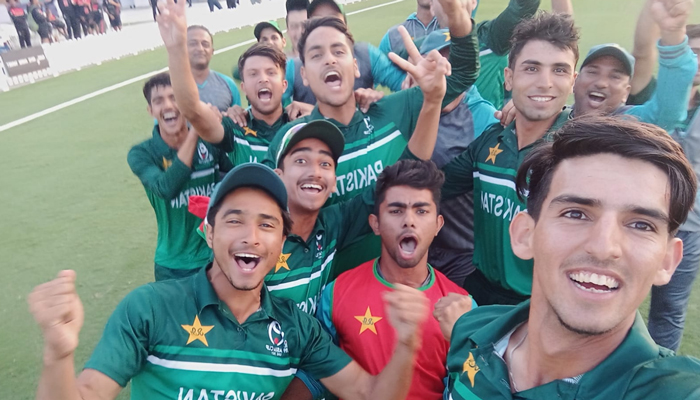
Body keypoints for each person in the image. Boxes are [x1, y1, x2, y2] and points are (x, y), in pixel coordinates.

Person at [28, 160, 431, 400]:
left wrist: (407, 344)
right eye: (234, 219)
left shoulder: (295, 329)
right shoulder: (150, 309)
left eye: (267, 224)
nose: (250, 237)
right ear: (208, 233)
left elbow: (369, 394)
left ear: (281, 244)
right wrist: (58, 354)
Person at [445, 115, 700, 399]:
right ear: (524, 234)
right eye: (576, 214)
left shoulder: (677, 391)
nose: (603, 247)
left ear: (667, 260)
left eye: (641, 225)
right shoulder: (472, 330)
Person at [305, 160, 474, 400]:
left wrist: (464, 339)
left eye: (422, 211)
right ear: (376, 224)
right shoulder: (337, 293)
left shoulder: (463, 306)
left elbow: (470, 389)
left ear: (438, 225)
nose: (409, 221)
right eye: (396, 211)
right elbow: (315, 377)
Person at [441, 11, 578, 306]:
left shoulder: (579, 153)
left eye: (559, 70)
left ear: (573, 81)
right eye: (531, 69)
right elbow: (434, 187)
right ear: (509, 77)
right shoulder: (491, 140)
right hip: (479, 291)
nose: (545, 83)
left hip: (542, 306)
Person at [413, 30, 500, 286]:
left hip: (466, 255)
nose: (444, 74)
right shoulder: (410, 110)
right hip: (418, 252)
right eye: (435, 64)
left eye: (450, 64)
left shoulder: (485, 117)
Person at [127, 73, 232, 281]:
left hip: (214, 257)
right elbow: (165, 188)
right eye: (159, 101)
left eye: (175, 98)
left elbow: (236, 172)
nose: (168, 106)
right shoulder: (142, 153)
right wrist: (196, 130)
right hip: (172, 265)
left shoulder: (209, 142)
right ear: (151, 111)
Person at [283, 0, 409, 105]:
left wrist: (379, 103)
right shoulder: (293, 67)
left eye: (333, 19)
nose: (327, 26)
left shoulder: (366, 53)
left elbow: (404, 85)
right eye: (318, 20)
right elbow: (273, 107)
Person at [185, 25, 242, 113]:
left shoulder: (228, 84)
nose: (200, 49)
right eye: (193, 44)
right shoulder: (172, 87)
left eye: (205, 44)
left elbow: (239, 123)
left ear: (212, 51)